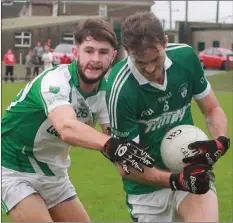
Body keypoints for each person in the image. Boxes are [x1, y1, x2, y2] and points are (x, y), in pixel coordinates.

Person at [1, 18, 154, 222]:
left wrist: (171, 174)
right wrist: (113, 145)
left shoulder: (107, 94)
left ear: (113, 56)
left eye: (103, 52)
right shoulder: (55, 81)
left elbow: (116, 142)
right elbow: (67, 127)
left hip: (54, 174)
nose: (96, 59)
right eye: (89, 51)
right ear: (76, 52)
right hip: (11, 167)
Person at [106, 12, 230, 222]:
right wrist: (175, 180)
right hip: (146, 188)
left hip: (193, 172)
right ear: (127, 52)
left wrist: (220, 141)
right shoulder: (121, 89)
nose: (150, 68)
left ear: (165, 41)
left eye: (155, 58)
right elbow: (124, 166)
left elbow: (212, 110)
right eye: (140, 63)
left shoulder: (186, 58)